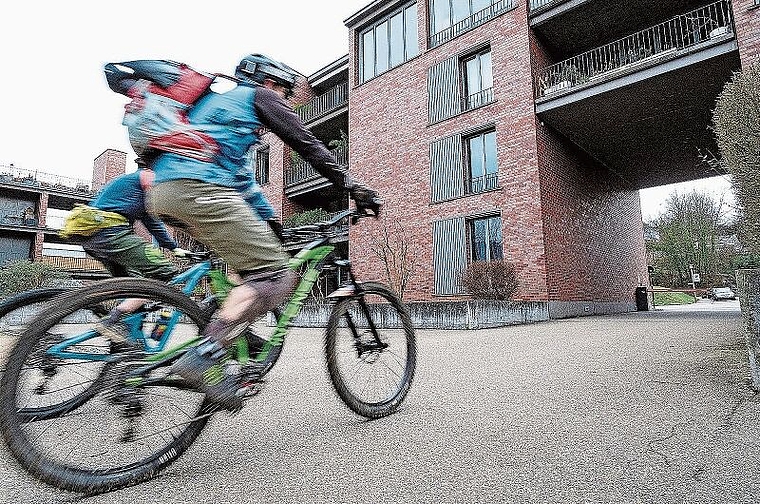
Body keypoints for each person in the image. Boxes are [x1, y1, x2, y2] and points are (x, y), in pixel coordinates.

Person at [144, 53, 380, 410]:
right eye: (285, 93)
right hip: (198, 190)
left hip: (165, 193)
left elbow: (243, 183)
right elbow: (305, 142)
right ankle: (205, 355)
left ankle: (230, 331)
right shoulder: (259, 96)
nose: (284, 102)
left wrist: (272, 227)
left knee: (246, 271)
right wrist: (350, 185)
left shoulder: (216, 110)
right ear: (272, 83)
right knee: (275, 277)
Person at [60, 169, 190, 341]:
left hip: (92, 239)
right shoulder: (148, 176)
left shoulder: (130, 186)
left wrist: (173, 247)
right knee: (165, 270)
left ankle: (128, 346)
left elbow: (152, 222)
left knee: (133, 287)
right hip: (111, 233)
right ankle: (115, 319)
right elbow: (160, 215)